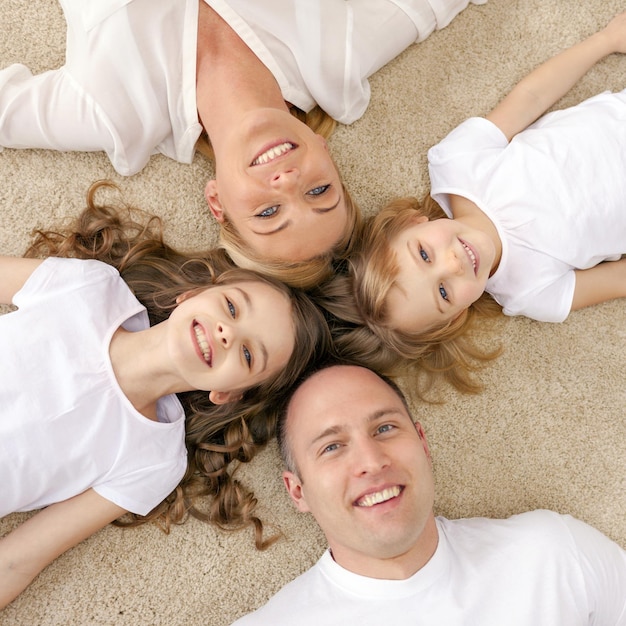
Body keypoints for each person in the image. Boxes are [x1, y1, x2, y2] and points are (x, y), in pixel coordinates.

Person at [0, 181, 331, 608]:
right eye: (231, 307)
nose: (228, 332)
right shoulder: (91, 287)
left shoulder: (155, 460)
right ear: (191, 295)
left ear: (227, 393)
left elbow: (19, 559)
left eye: (248, 354)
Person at [0, 0, 487, 283]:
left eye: (269, 213)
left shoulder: (115, 115)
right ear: (326, 155)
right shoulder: (338, 56)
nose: (288, 183)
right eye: (320, 193)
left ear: (217, 202)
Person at [324, 9, 626, 385]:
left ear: (412, 222)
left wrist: (606, 41)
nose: (452, 264)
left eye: (423, 254)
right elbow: (619, 279)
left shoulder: (458, 166)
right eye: (443, 291)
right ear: (457, 315)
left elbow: (531, 97)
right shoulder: (531, 292)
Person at [232, 364, 626, 625]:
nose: (371, 461)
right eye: (331, 447)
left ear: (423, 443)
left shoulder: (552, 553)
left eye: (385, 428)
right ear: (297, 491)